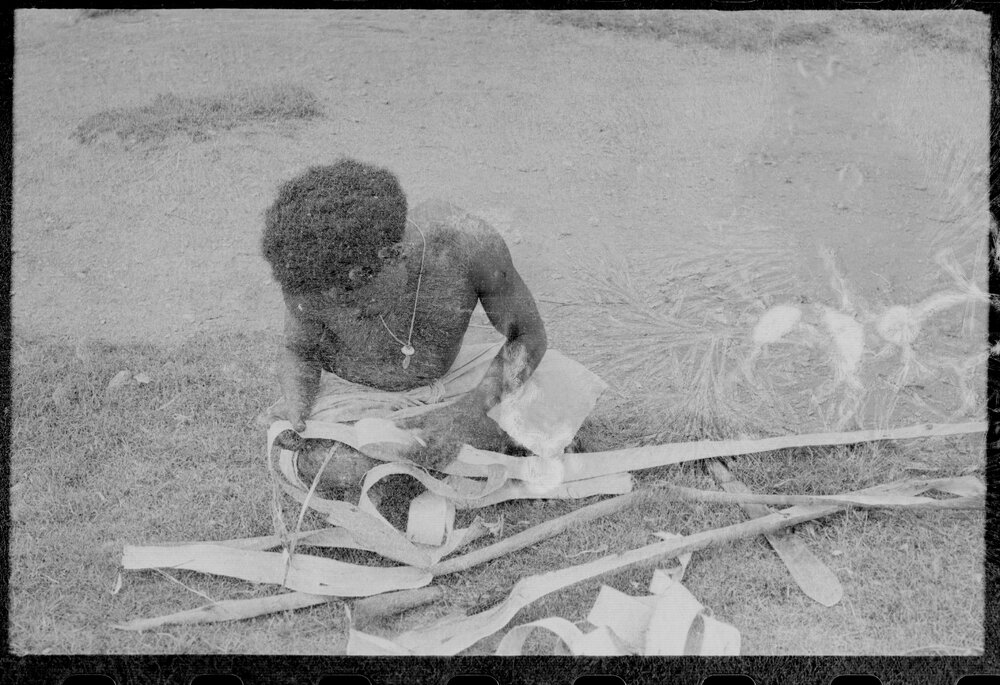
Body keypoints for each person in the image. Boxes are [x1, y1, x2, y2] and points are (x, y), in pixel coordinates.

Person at [259, 158, 548, 487]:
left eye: (351, 298)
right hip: (357, 401)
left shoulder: (468, 245)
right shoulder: (311, 272)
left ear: (395, 255)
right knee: (306, 457)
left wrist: (468, 412)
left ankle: (406, 470)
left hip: (456, 385)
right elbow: (298, 351)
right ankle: (419, 467)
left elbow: (528, 336)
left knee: (556, 394)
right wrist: (298, 404)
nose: (344, 311)